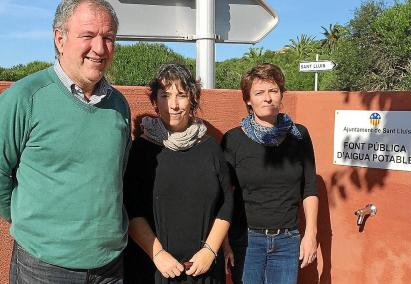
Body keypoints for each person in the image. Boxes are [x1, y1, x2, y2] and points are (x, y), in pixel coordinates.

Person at [0, 0, 131, 283]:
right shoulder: (24, 98)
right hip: (44, 268)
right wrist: (32, 224)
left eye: (108, 38)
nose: (99, 48)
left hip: (109, 266)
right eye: (88, 36)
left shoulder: (119, 105)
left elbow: (116, 175)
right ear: (60, 38)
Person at [123, 62, 233, 284]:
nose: (173, 105)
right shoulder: (142, 150)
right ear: (154, 100)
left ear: (192, 99)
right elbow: (131, 208)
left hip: (203, 270)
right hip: (154, 269)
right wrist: (158, 255)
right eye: (165, 95)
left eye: (181, 95)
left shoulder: (210, 147)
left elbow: (226, 202)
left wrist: (209, 252)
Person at [221, 63, 319, 284]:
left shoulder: (299, 135)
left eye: (273, 91)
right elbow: (224, 194)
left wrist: (310, 235)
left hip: (288, 240)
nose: (267, 98)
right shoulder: (233, 140)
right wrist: (225, 242)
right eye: (259, 92)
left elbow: (310, 187)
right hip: (247, 240)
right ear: (248, 99)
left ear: (281, 94)